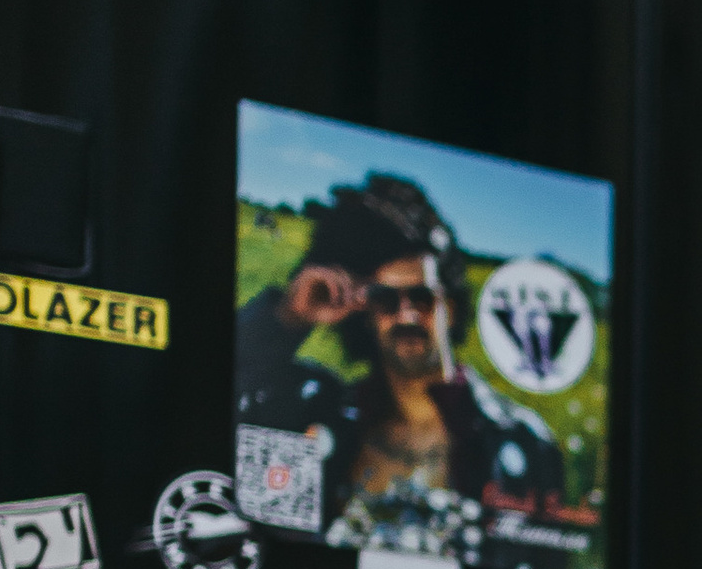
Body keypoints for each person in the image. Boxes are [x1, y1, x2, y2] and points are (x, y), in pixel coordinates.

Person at [233, 170, 566, 546]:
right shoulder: (314, 411)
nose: (406, 315)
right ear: (367, 314)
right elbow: (202, 394)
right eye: (387, 300)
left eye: (422, 298)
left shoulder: (523, 440)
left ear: (450, 307)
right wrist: (287, 317)